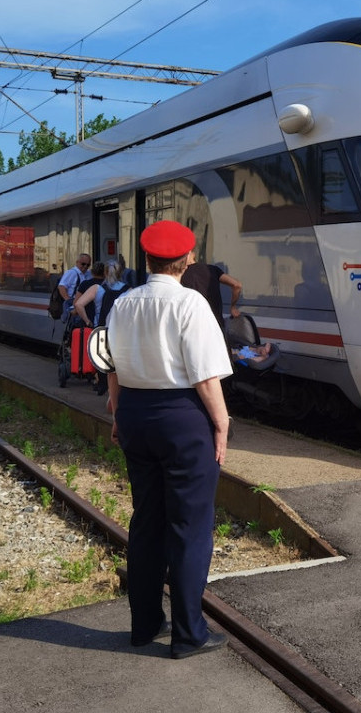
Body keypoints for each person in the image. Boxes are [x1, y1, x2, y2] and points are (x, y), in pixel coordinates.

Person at [105, 220, 232, 659]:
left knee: (147, 520)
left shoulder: (122, 303)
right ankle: (189, 634)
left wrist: (118, 412)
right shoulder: (190, 303)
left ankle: (144, 625)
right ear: (188, 259)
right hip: (183, 419)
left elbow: (113, 367)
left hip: (136, 414)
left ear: (146, 259)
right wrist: (222, 423)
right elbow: (205, 375)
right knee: (189, 526)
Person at [73, 260, 128, 395]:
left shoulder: (97, 288)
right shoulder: (128, 289)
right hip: (121, 331)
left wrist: (87, 321)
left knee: (104, 360)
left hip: (101, 328)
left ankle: (104, 385)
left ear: (104, 273)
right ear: (121, 273)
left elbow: (78, 304)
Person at [180, 259, 243, 327]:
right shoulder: (212, 269)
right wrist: (232, 307)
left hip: (192, 324)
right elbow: (237, 285)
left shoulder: (180, 274)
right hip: (216, 324)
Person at [57, 253, 92, 322]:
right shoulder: (72, 273)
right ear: (77, 262)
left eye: (88, 265)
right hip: (74, 306)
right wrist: (69, 301)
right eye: (83, 264)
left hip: (84, 306)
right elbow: (61, 287)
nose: (85, 266)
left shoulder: (89, 274)